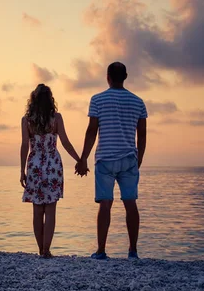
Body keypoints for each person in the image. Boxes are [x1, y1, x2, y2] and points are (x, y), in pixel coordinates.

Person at [75, 62, 147, 260]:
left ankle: (101, 250)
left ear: (108, 77)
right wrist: (138, 158)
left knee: (105, 204)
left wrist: (83, 158)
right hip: (129, 158)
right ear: (126, 76)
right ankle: (132, 251)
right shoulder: (138, 102)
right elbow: (142, 134)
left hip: (105, 158)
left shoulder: (98, 99)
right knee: (130, 203)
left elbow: (92, 131)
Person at [20, 84, 81, 258]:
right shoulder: (57, 118)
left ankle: (40, 249)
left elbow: (25, 145)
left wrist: (21, 170)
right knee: (51, 209)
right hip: (53, 165)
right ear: (50, 99)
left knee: (37, 210)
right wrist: (79, 159)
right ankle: (47, 249)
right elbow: (66, 143)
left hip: (35, 165)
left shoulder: (27, 120)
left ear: (33, 99)